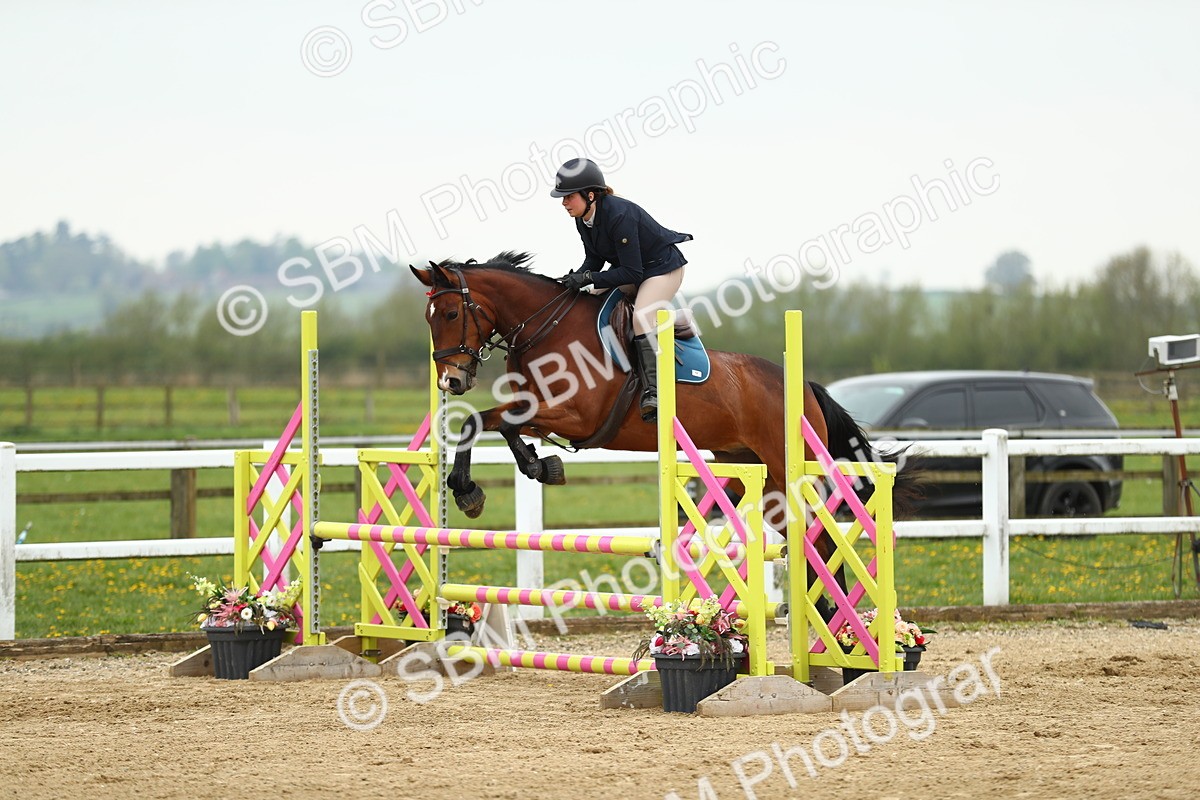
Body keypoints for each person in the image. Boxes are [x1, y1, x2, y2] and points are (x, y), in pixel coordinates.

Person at [551, 157, 693, 422]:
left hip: (662, 270)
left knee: (641, 318)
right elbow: (594, 260)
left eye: (569, 197)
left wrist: (589, 277)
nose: (564, 203)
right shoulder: (583, 219)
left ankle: (654, 392)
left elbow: (632, 273)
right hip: (633, 270)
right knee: (586, 299)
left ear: (590, 195)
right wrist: (577, 279)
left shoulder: (619, 215)